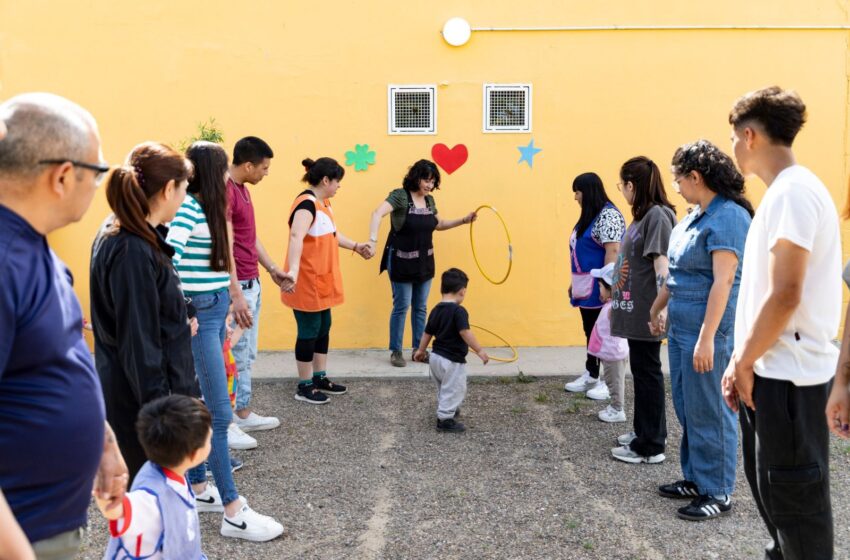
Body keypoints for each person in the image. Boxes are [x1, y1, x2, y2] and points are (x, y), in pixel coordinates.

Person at [0, 93, 127, 559]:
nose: (98, 185)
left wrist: (102, 438)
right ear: (63, 175)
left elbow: (57, 355)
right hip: (22, 534)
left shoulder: (34, 248)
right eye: (97, 172)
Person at [723, 87, 840, 559]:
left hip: (787, 378)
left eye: (733, 137)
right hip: (773, 373)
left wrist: (743, 361)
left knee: (798, 510)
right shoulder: (787, 193)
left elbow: (786, 294)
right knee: (780, 505)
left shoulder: (793, 192)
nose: (731, 147)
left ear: (749, 136)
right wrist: (742, 360)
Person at [166, 142, 283, 541]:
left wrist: (229, 300)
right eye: (220, 170)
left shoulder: (206, 209)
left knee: (205, 401)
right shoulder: (188, 210)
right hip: (202, 311)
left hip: (215, 309)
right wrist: (184, 306)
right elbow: (165, 256)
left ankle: (199, 488)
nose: (225, 176)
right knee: (216, 410)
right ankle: (233, 511)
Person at [648, 140, 753, 521]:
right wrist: (658, 306)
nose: (675, 186)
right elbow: (678, 273)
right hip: (682, 326)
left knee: (710, 407)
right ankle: (696, 477)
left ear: (696, 177)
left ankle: (718, 490)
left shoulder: (728, 217)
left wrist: (707, 337)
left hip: (708, 330)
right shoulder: (696, 215)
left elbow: (723, 282)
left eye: (678, 178)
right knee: (688, 404)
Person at [90, 142, 197, 483]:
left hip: (140, 404)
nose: (184, 200)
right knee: (150, 518)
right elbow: (141, 345)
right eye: (183, 190)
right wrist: (164, 422)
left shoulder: (133, 234)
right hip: (142, 413)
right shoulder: (131, 248)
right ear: (168, 189)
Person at [366, 160, 477, 367]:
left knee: (421, 308)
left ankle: (419, 350)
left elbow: (440, 224)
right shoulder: (400, 196)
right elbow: (377, 214)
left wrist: (464, 220)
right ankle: (396, 351)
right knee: (401, 306)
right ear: (416, 177)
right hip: (401, 261)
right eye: (426, 180)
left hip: (424, 262)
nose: (429, 185)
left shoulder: (429, 201)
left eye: (433, 181)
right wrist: (372, 241)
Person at [280, 157, 370, 403]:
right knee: (308, 331)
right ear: (325, 180)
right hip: (307, 280)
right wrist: (294, 272)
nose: (339, 186)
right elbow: (296, 237)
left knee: (323, 328)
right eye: (337, 181)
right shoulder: (306, 205)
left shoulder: (324, 203)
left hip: (323, 279)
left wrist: (356, 246)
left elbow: (332, 234)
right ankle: (305, 385)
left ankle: (319, 377)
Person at [609, 156, 677, 465]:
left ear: (631, 185)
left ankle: (650, 444)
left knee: (648, 373)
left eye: (621, 185)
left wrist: (660, 309)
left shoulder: (657, 216)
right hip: (636, 312)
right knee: (643, 372)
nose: (622, 191)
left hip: (648, 312)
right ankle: (644, 431)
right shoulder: (643, 216)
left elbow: (661, 263)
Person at [97, 395, 212, 559]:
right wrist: (107, 495)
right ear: (194, 454)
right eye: (209, 439)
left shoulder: (167, 471)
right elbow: (119, 511)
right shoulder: (151, 496)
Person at [226, 137, 282, 434]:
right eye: (264, 167)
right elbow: (226, 245)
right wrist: (236, 293)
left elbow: (249, 237)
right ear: (248, 165)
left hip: (253, 281)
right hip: (241, 286)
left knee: (247, 352)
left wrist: (272, 269)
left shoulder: (244, 191)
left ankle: (242, 410)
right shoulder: (227, 192)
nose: (266, 173)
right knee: (237, 352)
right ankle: (236, 414)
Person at [564, 172, 626, 399]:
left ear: (587, 192)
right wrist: (574, 282)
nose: (575, 197)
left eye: (577, 192)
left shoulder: (608, 216)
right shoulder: (590, 216)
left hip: (600, 287)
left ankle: (609, 385)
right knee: (590, 331)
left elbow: (613, 251)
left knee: (605, 334)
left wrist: (606, 285)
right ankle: (592, 374)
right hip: (585, 285)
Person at [413, 268, 489, 433]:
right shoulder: (459, 311)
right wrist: (479, 350)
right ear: (462, 291)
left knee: (444, 387)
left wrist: (420, 350)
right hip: (451, 360)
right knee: (455, 387)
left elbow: (427, 332)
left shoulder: (435, 309)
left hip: (435, 358)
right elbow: (465, 332)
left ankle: (448, 408)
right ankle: (445, 419)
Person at [586, 263, 629, 423]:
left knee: (615, 383)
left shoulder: (614, 308)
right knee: (612, 381)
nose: (599, 290)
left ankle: (618, 409)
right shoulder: (610, 305)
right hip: (610, 353)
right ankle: (615, 406)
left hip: (614, 354)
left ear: (611, 288)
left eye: (601, 287)